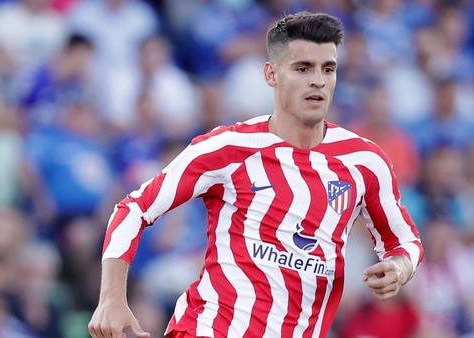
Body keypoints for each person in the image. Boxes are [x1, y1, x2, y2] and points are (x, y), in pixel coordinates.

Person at [89, 12, 424, 338]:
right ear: (271, 74)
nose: (318, 81)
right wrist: (112, 299)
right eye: (303, 68)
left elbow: (404, 242)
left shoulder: (364, 161)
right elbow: (133, 208)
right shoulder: (229, 147)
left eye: (328, 69)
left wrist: (399, 268)